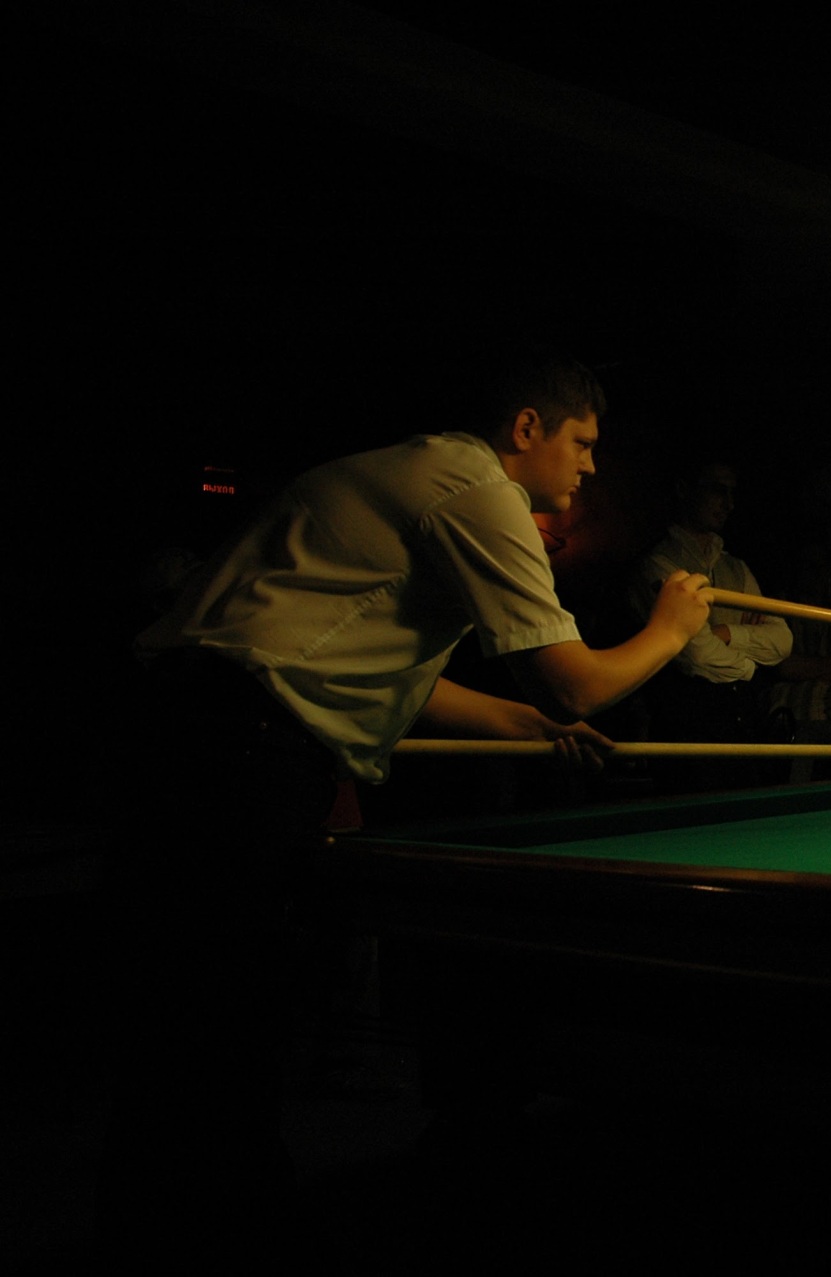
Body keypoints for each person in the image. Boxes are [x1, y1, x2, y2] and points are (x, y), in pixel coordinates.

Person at [105, 352, 712, 1265]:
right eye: (583, 442)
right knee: (218, 1017)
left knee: (199, 1014)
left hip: (198, 732)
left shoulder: (419, 472)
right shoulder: (478, 490)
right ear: (527, 429)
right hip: (240, 746)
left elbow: (392, 673)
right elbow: (578, 682)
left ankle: (182, 1222)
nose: (591, 465)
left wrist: (529, 725)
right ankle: (215, 1231)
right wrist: (668, 632)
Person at [629, 455, 792, 790]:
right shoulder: (658, 565)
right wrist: (749, 665)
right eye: (718, 490)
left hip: (742, 726)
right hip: (686, 732)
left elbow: (782, 641)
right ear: (684, 490)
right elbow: (696, 655)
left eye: (732, 492)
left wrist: (727, 632)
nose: (729, 504)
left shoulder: (736, 568)